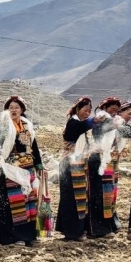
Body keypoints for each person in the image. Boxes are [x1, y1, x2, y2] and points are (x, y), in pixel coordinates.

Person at [0, 95, 44, 246]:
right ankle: (14, 236)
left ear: (22, 110)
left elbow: (33, 146)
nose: (13, 110)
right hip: (11, 169)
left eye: (16, 107)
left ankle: (29, 235)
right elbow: (2, 144)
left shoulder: (27, 125)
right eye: (10, 107)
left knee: (28, 202)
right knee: (14, 202)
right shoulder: (4, 125)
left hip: (27, 168)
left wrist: (38, 165)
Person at [56, 96, 95, 241]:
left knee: (77, 197)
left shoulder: (80, 124)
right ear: (77, 109)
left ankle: (73, 229)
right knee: (72, 199)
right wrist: (95, 120)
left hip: (78, 164)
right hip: (69, 165)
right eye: (85, 110)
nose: (87, 113)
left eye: (90, 111)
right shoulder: (73, 123)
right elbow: (81, 127)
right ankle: (73, 232)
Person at [85, 96, 122, 237]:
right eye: (112, 109)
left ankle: (104, 227)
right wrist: (112, 124)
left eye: (116, 110)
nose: (114, 112)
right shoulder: (101, 119)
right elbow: (98, 132)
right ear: (105, 108)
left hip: (104, 160)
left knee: (105, 194)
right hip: (96, 159)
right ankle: (96, 229)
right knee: (97, 195)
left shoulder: (111, 121)